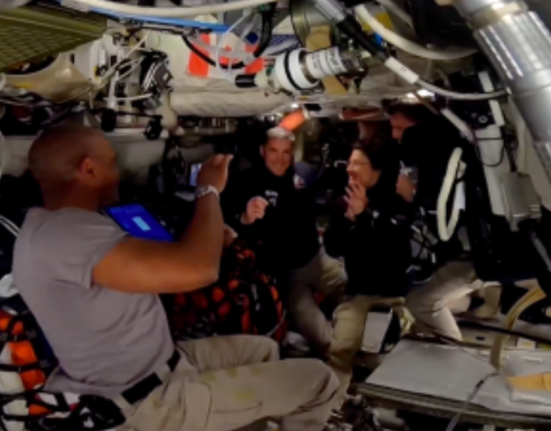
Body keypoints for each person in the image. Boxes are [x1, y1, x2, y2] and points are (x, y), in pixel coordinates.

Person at [12, 126, 339, 431]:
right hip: (148, 401)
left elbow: (164, 261)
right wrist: (208, 190)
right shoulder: (68, 235)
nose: (118, 173)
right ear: (88, 169)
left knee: (265, 349)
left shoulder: (57, 226)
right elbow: (201, 271)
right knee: (321, 380)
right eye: (111, 164)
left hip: (163, 362)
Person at [222, 127, 347, 356]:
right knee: (325, 341)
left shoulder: (305, 173)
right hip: (286, 277)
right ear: (263, 151)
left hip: (317, 261)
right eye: (273, 151)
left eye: (286, 152)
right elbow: (224, 225)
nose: (280, 159)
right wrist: (245, 218)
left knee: (359, 296)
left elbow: (339, 179)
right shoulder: (244, 182)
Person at [323, 126, 412, 400]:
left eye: (358, 164)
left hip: (392, 294)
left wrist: (363, 217)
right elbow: (333, 247)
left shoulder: (396, 202)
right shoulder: (344, 202)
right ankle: (331, 405)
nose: (350, 169)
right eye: (349, 162)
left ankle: (394, 402)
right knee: (341, 346)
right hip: (358, 292)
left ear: (376, 169)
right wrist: (348, 220)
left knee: (383, 351)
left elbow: (390, 252)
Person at [387, 101, 485, 341]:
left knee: (422, 301)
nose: (394, 135)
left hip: (475, 255)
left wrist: (412, 195)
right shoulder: (429, 160)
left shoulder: (443, 164)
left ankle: (454, 354)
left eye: (400, 128)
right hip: (459, 251)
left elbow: (445, 227)